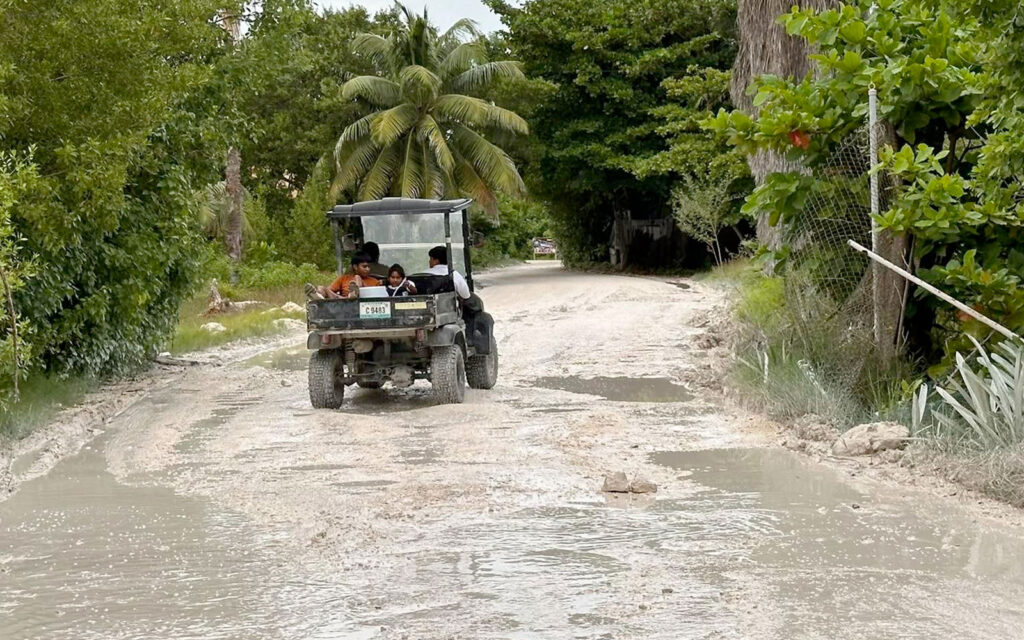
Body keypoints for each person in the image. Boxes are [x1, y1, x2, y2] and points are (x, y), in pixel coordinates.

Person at [305, 253, 380, 300]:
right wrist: (323, 291)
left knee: (357, 278)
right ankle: (318, 296)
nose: (367, 269)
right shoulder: (344, 278)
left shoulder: (375, 281)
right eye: (364, 266)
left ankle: (354, 294)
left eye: (369, 267)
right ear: (355, 267)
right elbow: (330, 290)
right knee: (322, 288)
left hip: (361, 303)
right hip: (343, 303)